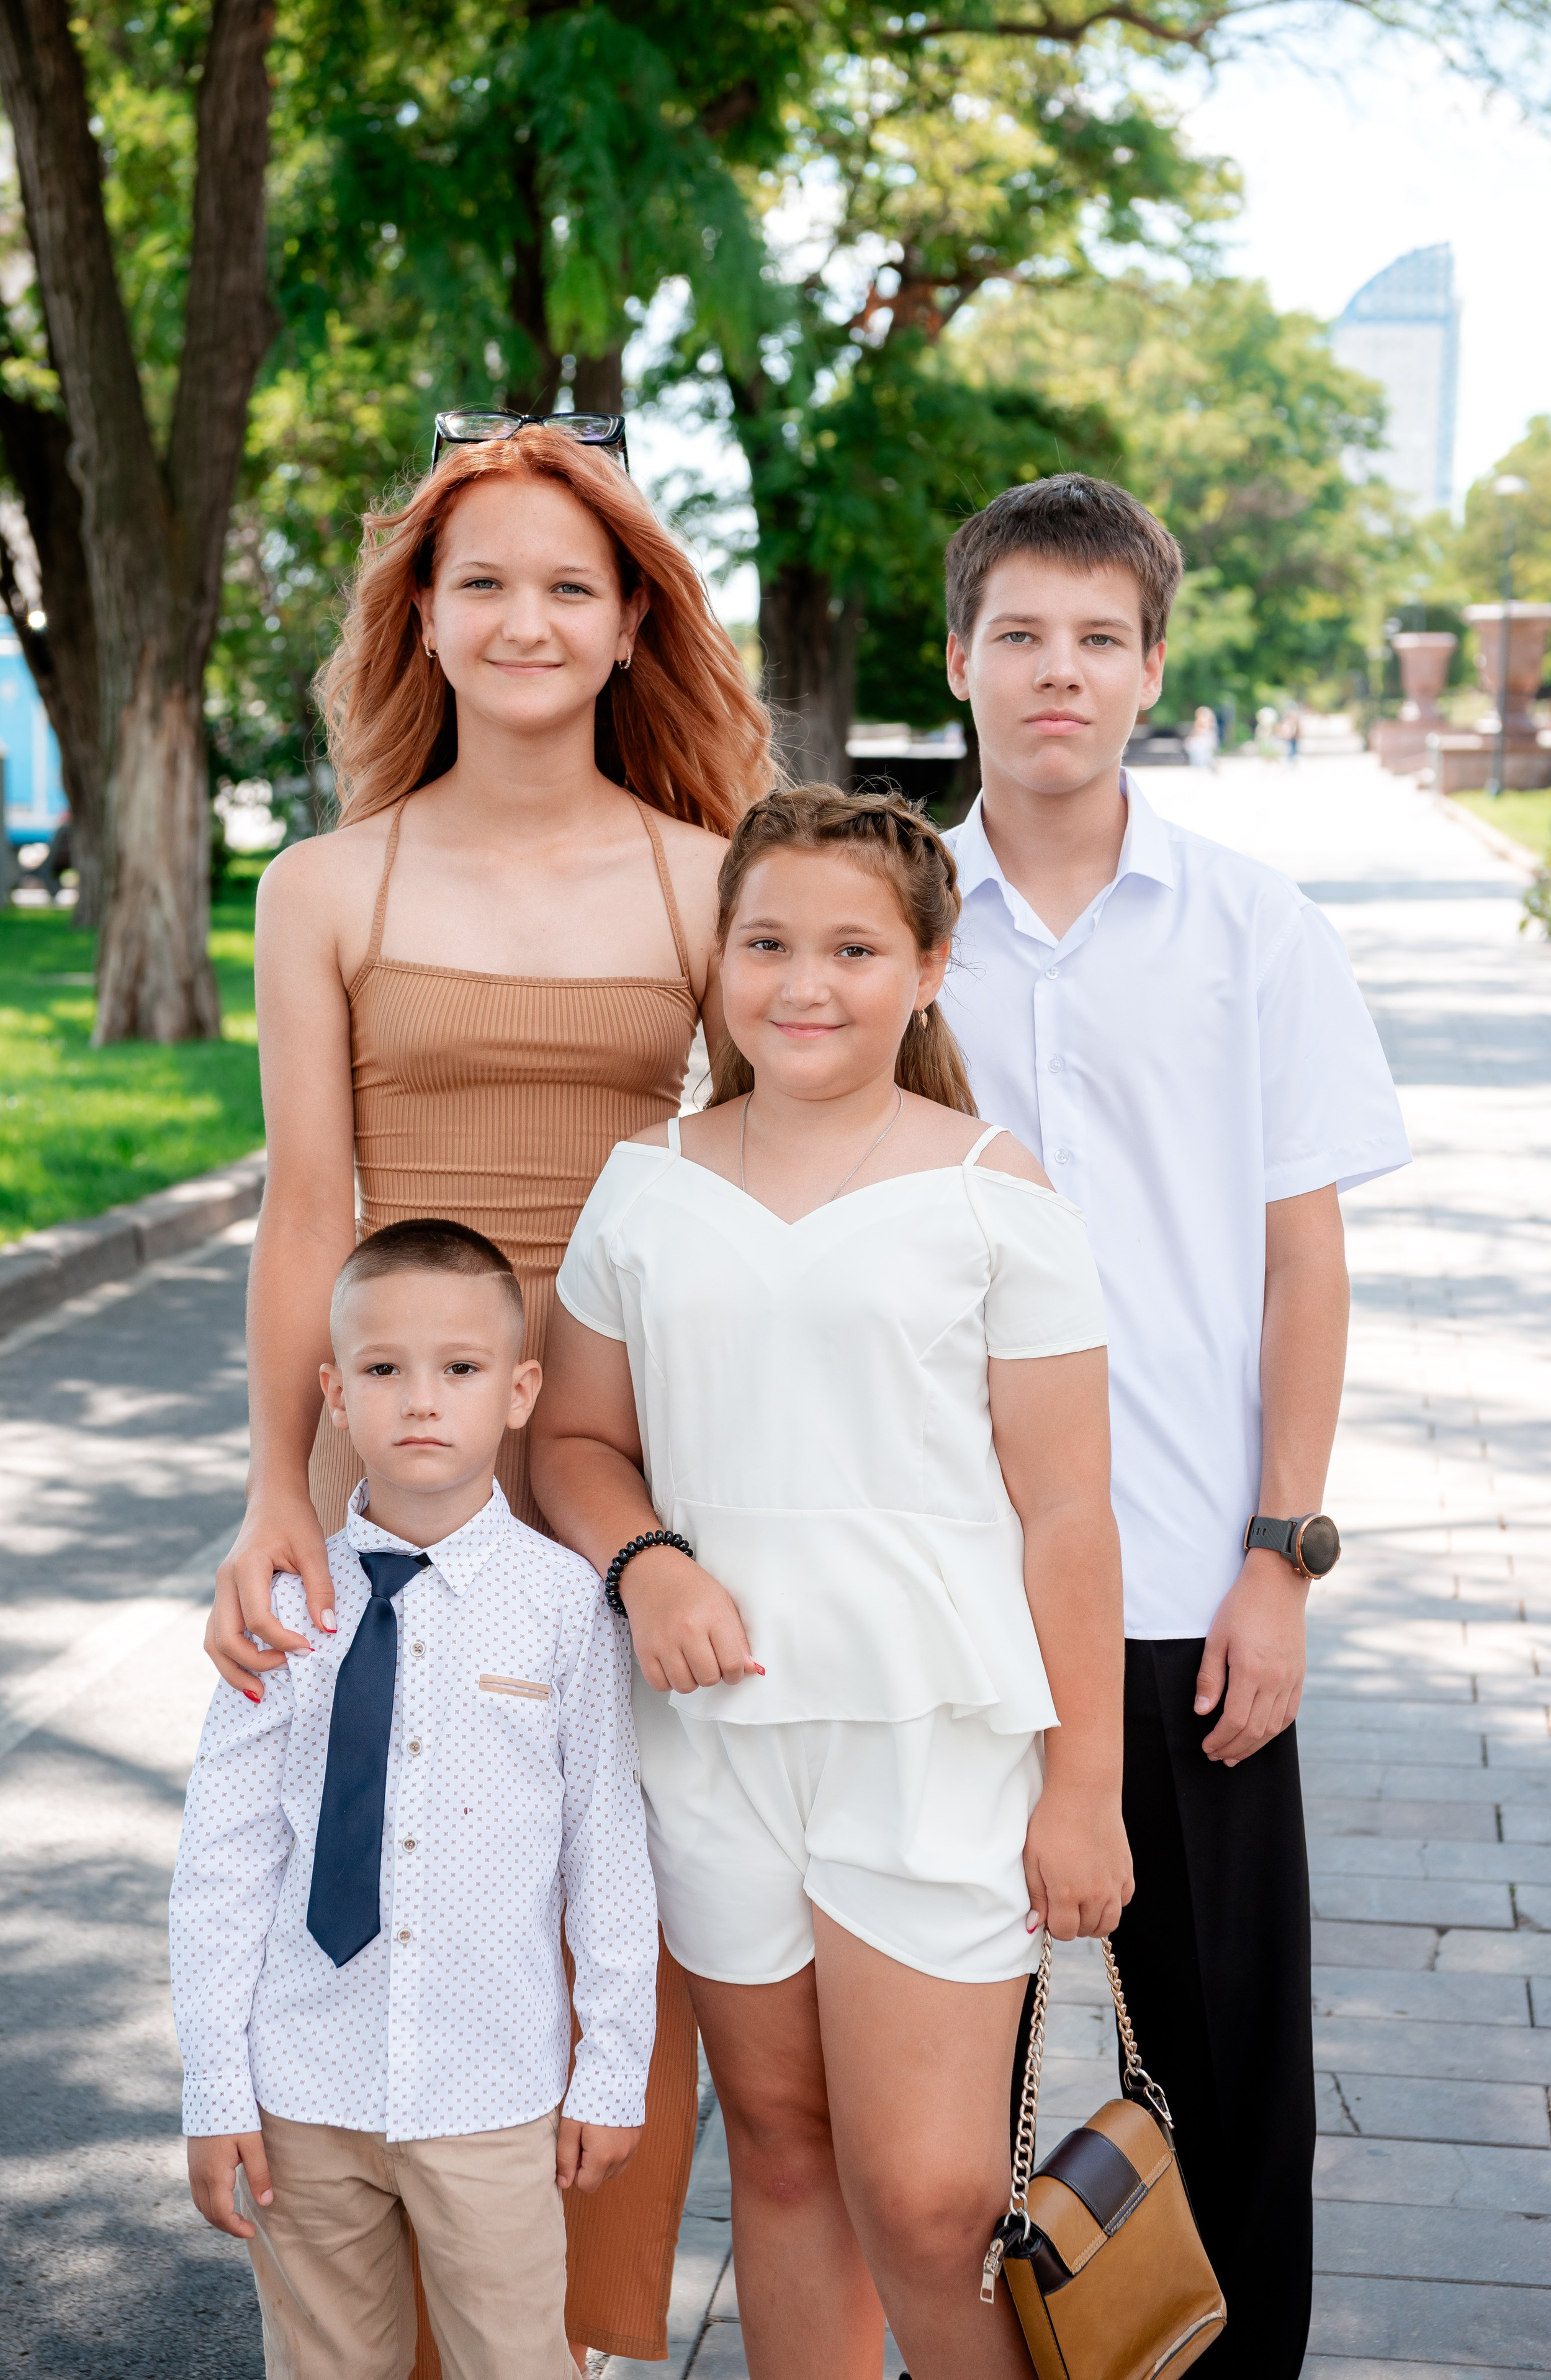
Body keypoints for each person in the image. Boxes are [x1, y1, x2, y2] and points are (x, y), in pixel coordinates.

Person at [200, 423, 772, 2366]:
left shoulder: (710, 882)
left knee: (606, 1893)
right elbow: (301, 1216)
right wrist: (279, 1484)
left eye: (569, 586)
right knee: (371, 1876)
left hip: (627, 1453)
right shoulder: (323, 888)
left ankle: (574, 2330)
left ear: (631, 627)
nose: (524, 619)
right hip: (408, 1447)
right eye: (482, 584)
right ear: (424, 624)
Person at [529, 784, 1133, 2380]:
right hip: (714, 1738)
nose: (806, 980)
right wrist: (645, 1558)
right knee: (783, 2156)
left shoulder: (991, 1191)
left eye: (853, 946)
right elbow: (577, 1437)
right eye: (768, 942)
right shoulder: (643, 1182)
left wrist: (1087, 1785)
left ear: (929, 968)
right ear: (718, 961)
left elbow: (1070, 1508)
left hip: (928, 1737)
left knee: (930, 2198)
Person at [937, 474, 1410, 2377]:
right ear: (958, 656)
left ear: (1150, 668)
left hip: (1184, 1597)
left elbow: (1305, 1266)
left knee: (1217, 2081)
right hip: (942, 1603)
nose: (1060, 671)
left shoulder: (1252, 926)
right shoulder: (881, 926)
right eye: (1023, 634)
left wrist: (1278, 1557)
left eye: (1099, 639)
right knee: (950, 2110)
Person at [172, 1219, 658, 2380]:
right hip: (302, 2089)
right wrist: (213, 2083)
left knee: (517, 2361)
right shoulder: (289, 1606)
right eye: (385, 1371)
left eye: (461, 1369)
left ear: (521, 1389)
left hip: (489, 2091)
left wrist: (614, 2064)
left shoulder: (563, 1607)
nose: (422, 1401)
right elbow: (224, 1856)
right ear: (335, 1396)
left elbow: (607, 1845)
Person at [1184, 703, 1219, 773]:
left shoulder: (1204, 721)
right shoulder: (1205, 721)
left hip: (1202, 740)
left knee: (1202, 757)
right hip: (1202, 740)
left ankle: (1205, 768)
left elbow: (1202, 731)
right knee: (1203, 757)